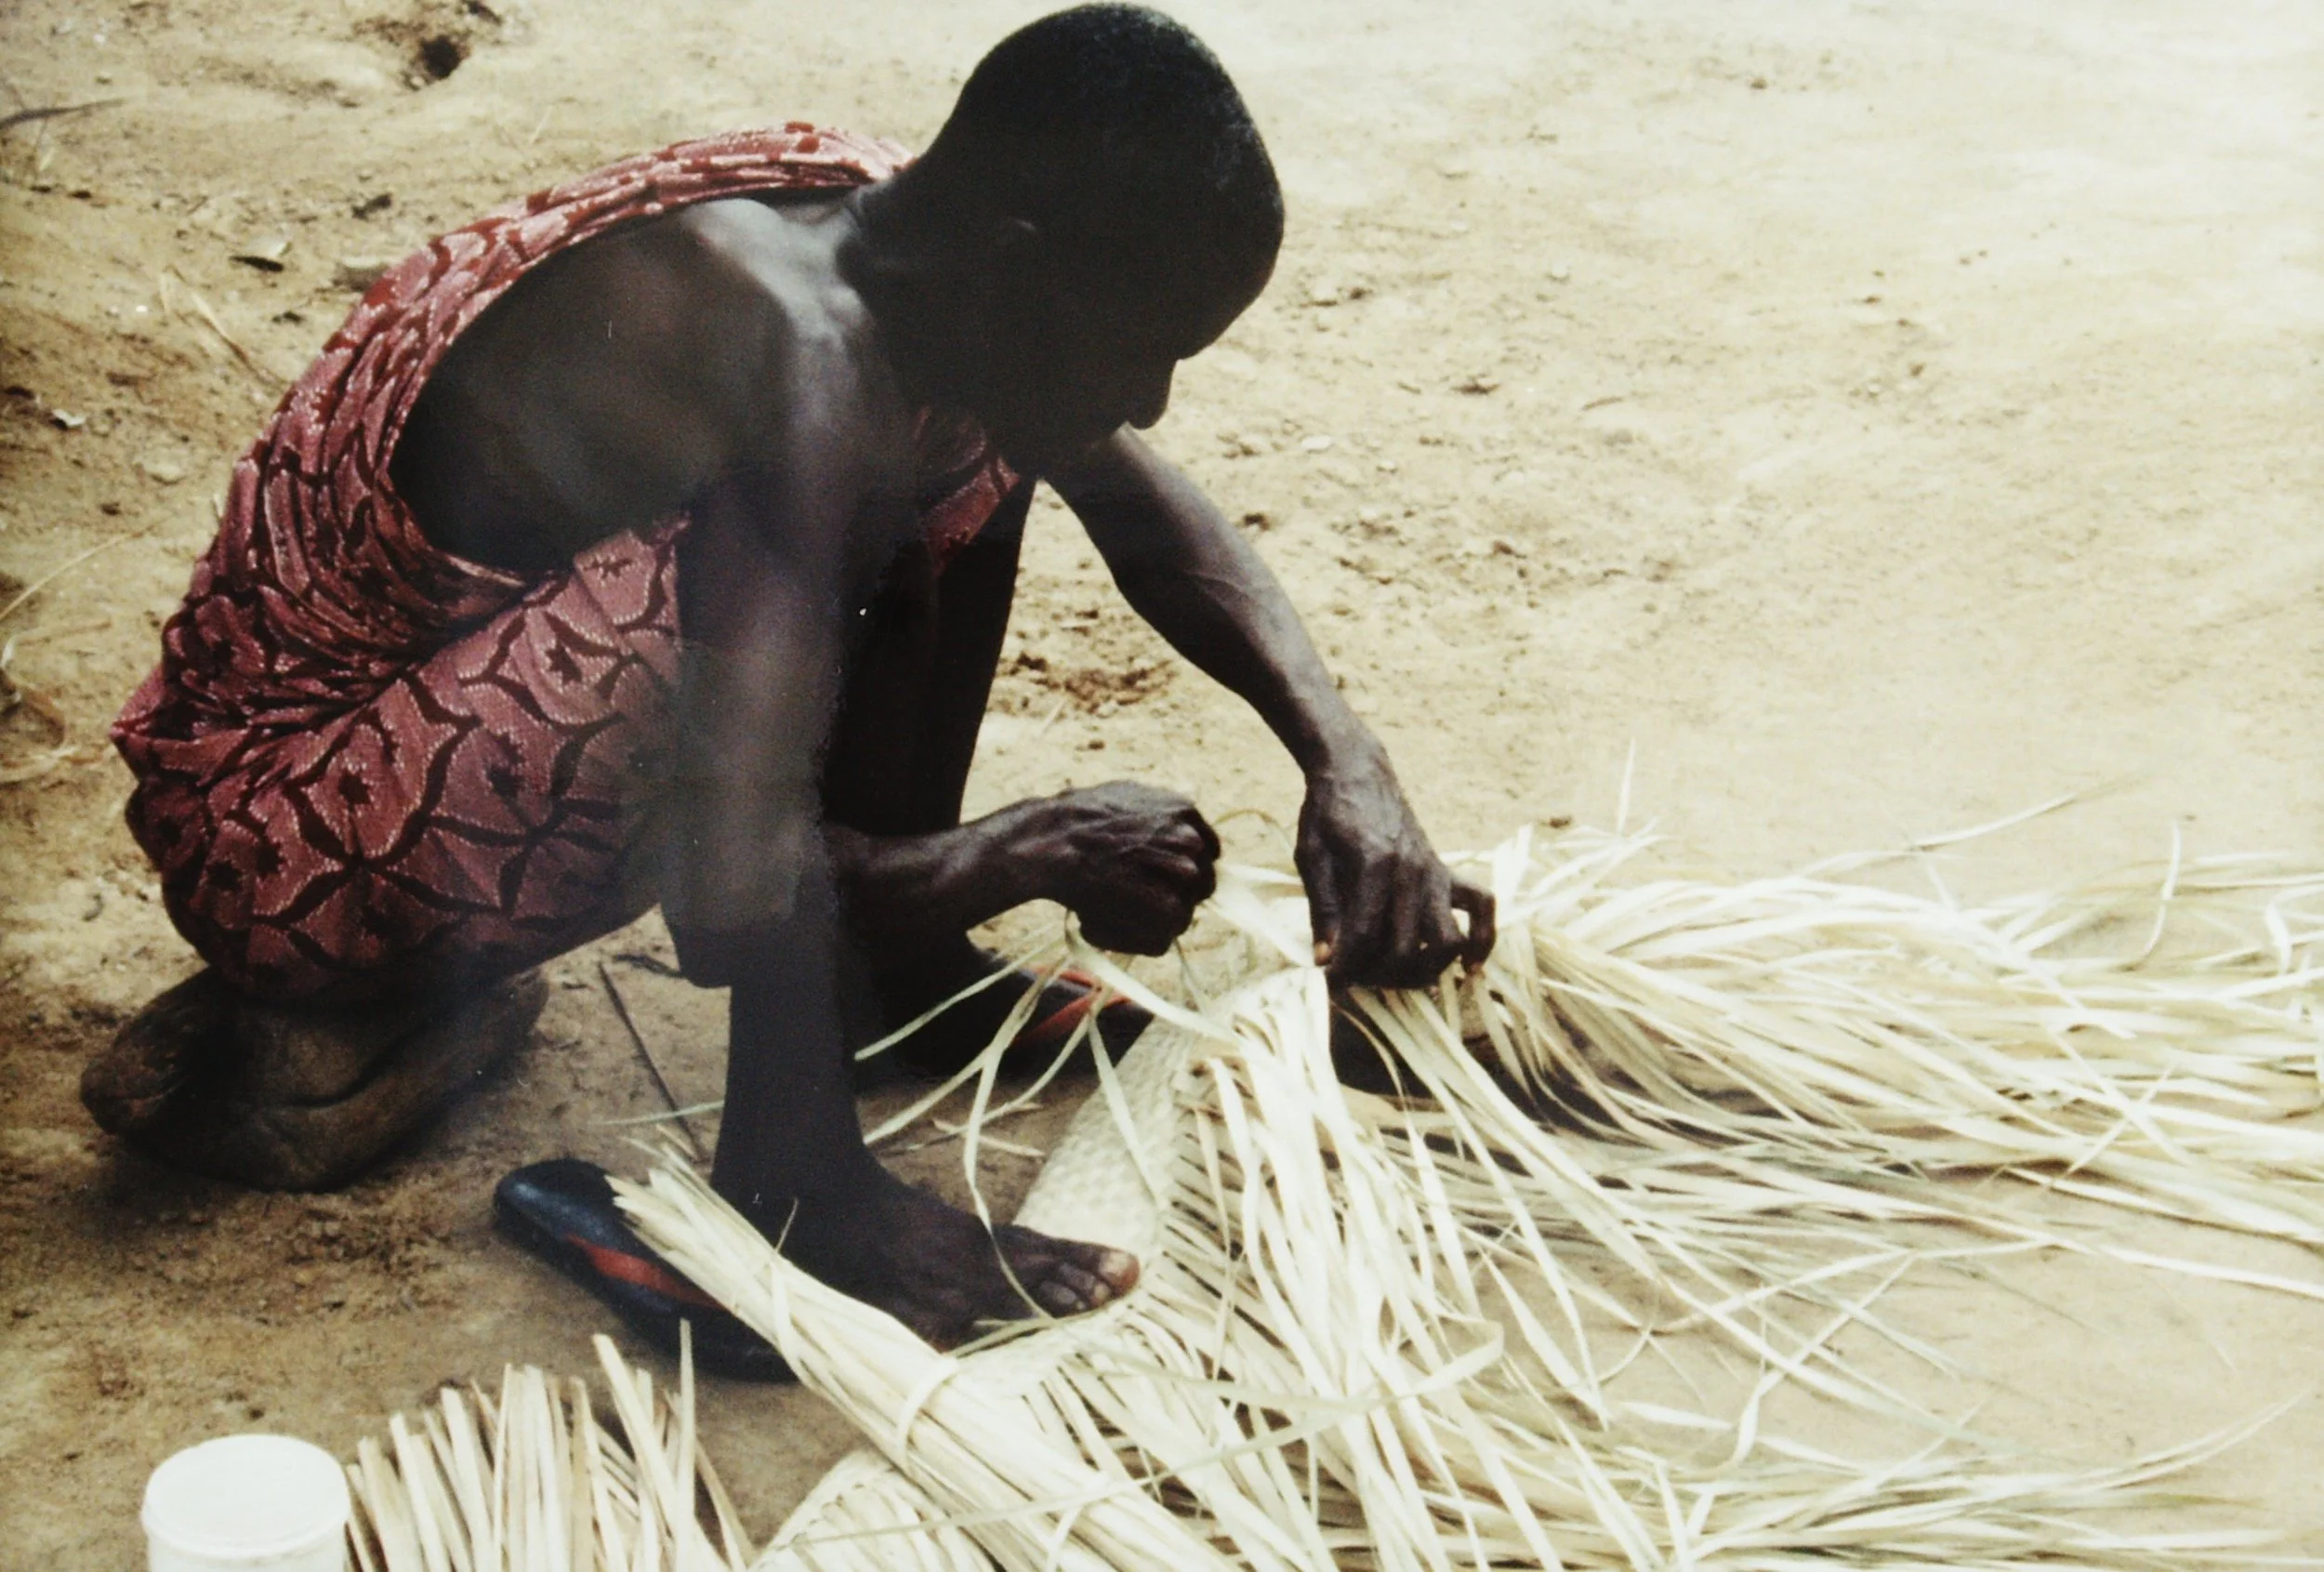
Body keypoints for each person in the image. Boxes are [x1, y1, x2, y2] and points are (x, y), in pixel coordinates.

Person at [82, 4, 1494, 1353]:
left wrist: (1343, 756)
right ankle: (795, 1183)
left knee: (981, 445)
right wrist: (1028, 848)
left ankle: (893, 970)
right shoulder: (789, 355)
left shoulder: (915, 243)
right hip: (278, 822)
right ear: (1015, 252)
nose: (1150, 397)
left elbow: (1145, 509)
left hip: (414, 730)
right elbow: (728, 891)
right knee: (836, 529)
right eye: (1146, 347)